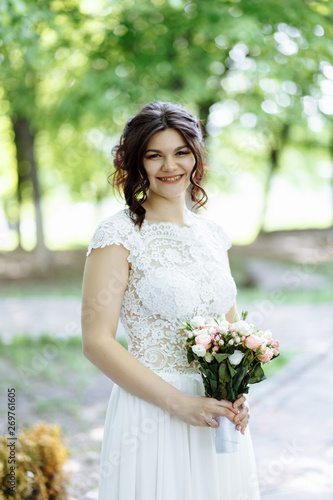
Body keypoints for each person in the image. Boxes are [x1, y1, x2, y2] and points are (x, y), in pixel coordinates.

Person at [81, 101, 260, 499]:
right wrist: (179, 404)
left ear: (196, 157)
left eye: (181, 152)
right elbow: (96, 341)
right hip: (152, 412)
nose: (170, 166)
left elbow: (229, 334)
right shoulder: (119, 235)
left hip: (216, 416)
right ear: (137, 163)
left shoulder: (213, 235)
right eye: (154, 155)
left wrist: (238, 394)